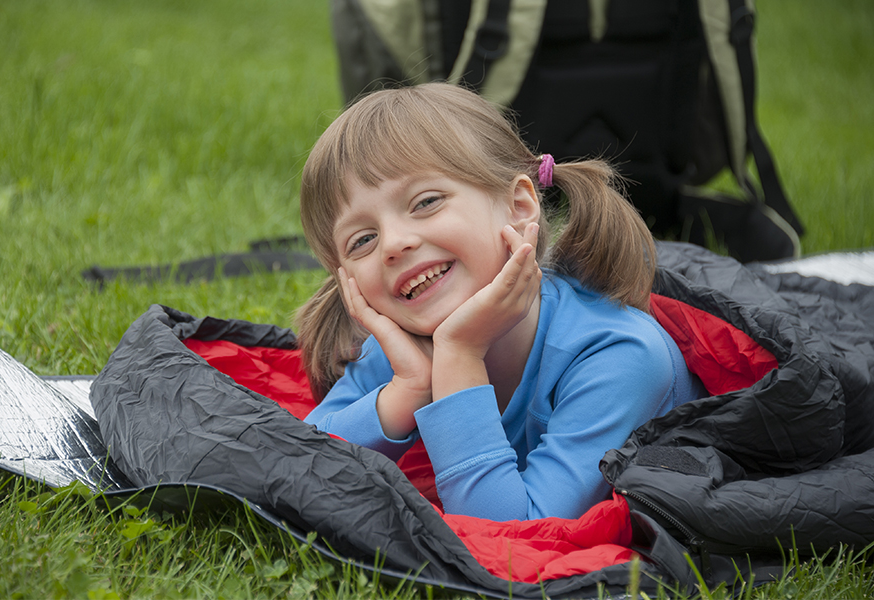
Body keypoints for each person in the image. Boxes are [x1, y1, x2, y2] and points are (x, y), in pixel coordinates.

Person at [295, 83, 707, 521]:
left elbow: (511, 536)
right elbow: (294, 463)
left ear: (518, 206)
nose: (393, 244)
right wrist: (406, 391)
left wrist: (460, 355)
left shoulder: (619, 357)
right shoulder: (403, 347)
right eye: (362, 240)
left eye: (426, 202)